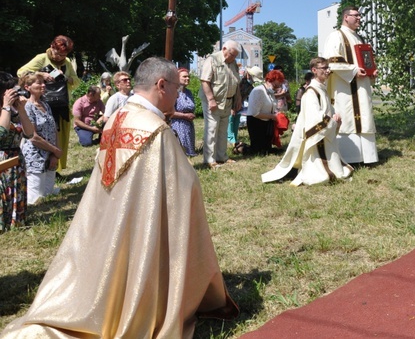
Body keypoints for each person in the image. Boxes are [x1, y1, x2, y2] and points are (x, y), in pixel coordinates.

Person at [1, 57, 239, 338]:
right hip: (142, 223)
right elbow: (184, 187)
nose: (178, 94)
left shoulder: (116, 118)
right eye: (175, 87)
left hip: (109, 216)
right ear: (161, 85)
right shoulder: (155, 130)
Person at [262, 58, 354, 185]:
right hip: (316, 138)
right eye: (324, 68)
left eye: (328, 68)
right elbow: (315, 117)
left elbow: (327, 108)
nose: (328, 71)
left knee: (336, 169)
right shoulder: (311, 91)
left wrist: (335, 116)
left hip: (325, 136)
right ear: (314, 70)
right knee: (321, 175)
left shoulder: (321, 88)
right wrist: (331, 121)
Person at [323, 6, 378, 165]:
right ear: (346, 17)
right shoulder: (336, 36)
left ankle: (367, 157)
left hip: (361, 87)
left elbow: (365, 61)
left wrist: (370, 72)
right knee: (347, 118)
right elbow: (331, 60)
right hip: (345, 89)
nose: (359, 18)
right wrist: (353, 70)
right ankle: (350, 158)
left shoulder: (359, 38)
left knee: (365, 117)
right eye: (356, 16)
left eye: (360, 16)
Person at [17, 35, 80, 171]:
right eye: (58, 54)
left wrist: (65, 77)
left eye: (64, 55)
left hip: (61, 104)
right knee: (45, 136)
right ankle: (46, 166)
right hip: (44, 104)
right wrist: (41, 74)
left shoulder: (67, 62)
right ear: (52, 47)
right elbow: (21, 72)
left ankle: (58, 168)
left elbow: (76, 81)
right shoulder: (41, 58)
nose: (60, 57)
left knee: (61, 137)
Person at [199, 41, 242, 168]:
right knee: (212, 129)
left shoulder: (233, 63)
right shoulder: (212, 60)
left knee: (223, 130)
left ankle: (222, 157)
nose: (233, 58)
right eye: (232, 55)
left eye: (235, 56)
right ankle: (209, 160)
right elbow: (205, 81)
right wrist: (211, 99)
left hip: (227, 101)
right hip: (213, 101)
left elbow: (236, 82)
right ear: (224, 49)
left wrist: (238, 98)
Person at [20, 72, 62, 204]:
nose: (43, 85)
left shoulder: (45, 105)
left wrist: (55, 154)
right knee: (36, 199)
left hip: (50, 154)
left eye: (43, 82)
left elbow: (54, 130)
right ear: (27, 87)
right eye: (39, 83)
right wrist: (54, 150)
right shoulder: (27, 107)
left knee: (48, 193)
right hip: (35, 155)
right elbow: (33, 137)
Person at [0, 72, 34, 230]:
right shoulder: (5, 110)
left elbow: (29, 133)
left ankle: (16, 221)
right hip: (2, 156)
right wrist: (6, 106)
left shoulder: (14, 110)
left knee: (16, 190)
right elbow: (1, 134)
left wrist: (21, 110)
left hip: (16, 157)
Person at [246, 69, 284, 154]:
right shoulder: (259, 91)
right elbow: (255, 113)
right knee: (258, 151)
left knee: (267, 150)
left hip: (267, 122)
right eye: (279, 81)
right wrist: (272, 116)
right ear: (273, 80)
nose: (281, 84)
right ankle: (240, 147)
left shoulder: (270, 92)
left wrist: (276, 114)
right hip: (256, 122)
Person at [171, 67, 197, 157]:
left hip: (188, 126)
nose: (188, 78)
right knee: (181, 153)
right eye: (184, 77)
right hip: (177, 125)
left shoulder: (188, 92)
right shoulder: (173, 92)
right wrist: (184, 116)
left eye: (188, 76)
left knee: (190, 154)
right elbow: (169, 112)